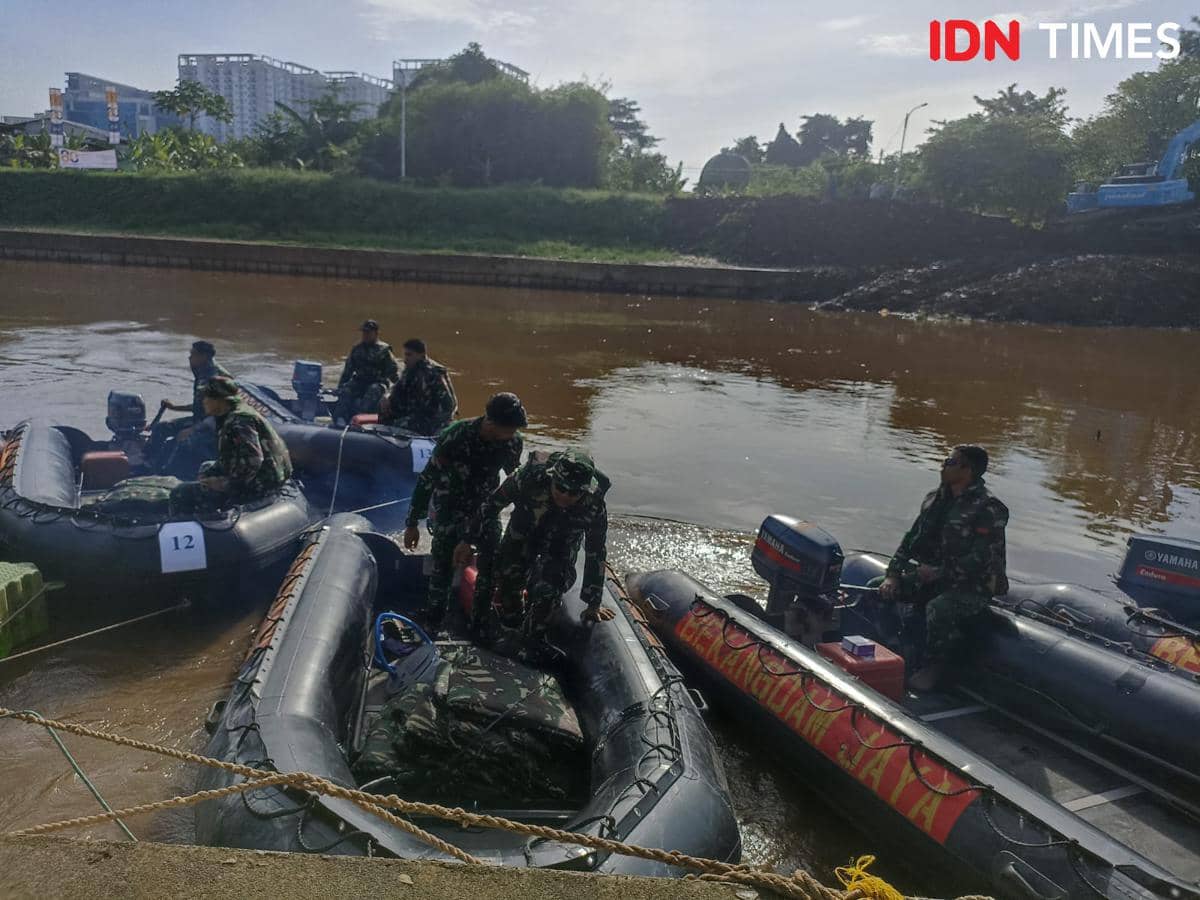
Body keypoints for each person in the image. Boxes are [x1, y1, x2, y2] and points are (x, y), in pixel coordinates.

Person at [877, 445, 1009, 691]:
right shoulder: (934, 499)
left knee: (939, 608)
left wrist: (937, 573)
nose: (943, 465)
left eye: (950, 461)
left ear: (967, 470)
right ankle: (895, 646)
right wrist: (893, 575)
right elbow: (911, 539)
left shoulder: (989, 509)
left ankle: (935, 667)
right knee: (879, 588)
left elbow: (981, 558)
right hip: (932, 576)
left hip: (971, 587)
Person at [402, 393, 527, 630]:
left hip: (485, 507)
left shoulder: (512, 441)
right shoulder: (456, 437)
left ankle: (479, 622)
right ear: (491, 423)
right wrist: (412, 524)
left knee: (491, 562)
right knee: (443, 563)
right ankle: (434, 618)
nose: (513, 435)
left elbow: (515, 480)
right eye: (508, 429)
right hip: (451, 506)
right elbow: (427, 480)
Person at [474, 449, 616, 658]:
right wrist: (471, 542)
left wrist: (593, 602)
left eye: (574, 492)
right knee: (508, 581)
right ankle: (510, 624)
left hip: (560, 545)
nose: (565, 495)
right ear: (552, 477)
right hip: (522, 534)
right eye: (560, 488)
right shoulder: (529, 478)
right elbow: (492, 505)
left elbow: (596, 550)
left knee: (549, 589)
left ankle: (533, 639)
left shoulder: (593, 504)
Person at [169, 376, 293, 516]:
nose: (203, 402)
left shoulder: (238, 420)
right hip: (265, 476)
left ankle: (200, 524)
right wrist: (211, 476)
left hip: (262, 484)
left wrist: (226, 484)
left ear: (219, 400)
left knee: (180, 492)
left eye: (206, 398)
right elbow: (233, 457)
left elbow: (254, 461)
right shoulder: (236, 412)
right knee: (207, 468)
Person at [144, 340, 231, 467]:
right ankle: (148, 461)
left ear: (203, 356)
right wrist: (174, 407)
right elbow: (201, 406)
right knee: (162, 428)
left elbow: (219, 414)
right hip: (200, 419)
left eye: (193, 354)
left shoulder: (215, 379)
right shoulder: (203, 371)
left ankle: (164, 472)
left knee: (178, 442)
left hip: (213, 427)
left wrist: (193, 429)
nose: (189, 357)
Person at [379, 338, 457, 435]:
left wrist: (436, 424)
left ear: (421, 355)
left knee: (400, 425)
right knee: (384, 416)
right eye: (405, 354)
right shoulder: (410, 369)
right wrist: (387, 396)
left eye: (409, 355)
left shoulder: (434, 373)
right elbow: (397, 386)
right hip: (413, 411)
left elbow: (450, 405)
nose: (405, 359)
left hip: (428, 417)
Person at [332, 320, 399, 424]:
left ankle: (359, 419)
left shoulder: (384, 350)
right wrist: (340, 388)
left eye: (368, 332)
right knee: (346, 390)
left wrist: (395, 393)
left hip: (377, 382)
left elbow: (393, 373)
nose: (365, 335)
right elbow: (347, 372)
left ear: (376, 334)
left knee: (373, 390)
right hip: (360, 381)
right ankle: (340, 419)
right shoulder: (357, 349)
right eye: (364, 332)